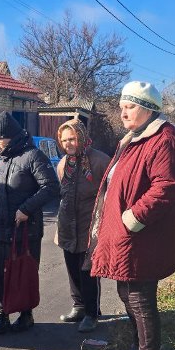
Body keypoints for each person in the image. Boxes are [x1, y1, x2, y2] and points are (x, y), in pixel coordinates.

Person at [86, 81, 175, 350]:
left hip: (142, 235)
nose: (123, 113)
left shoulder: (164, 139)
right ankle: (142, 349)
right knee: (127, 291)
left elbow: (166, 188)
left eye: (129, 107)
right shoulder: (136, 138)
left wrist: (131, 219)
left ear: (148, 108)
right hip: (128, 234)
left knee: (139, 297)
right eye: (121, 107)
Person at [0, 112, 59, 334]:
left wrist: (26, 208)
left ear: (11, 136)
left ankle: (26, 315)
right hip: (0, 225)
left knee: (23, 271)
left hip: (26, 229)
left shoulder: (34, 156)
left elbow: (51, 187)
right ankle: (2, 313)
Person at [54, 118, 110, 333]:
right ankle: (78, 306)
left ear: (82, 137)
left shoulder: (100, 161)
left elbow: (110, 192)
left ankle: (91, 313)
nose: (68, 144)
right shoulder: (63, 164)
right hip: (68, 224)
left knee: (88, 270)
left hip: (91, 224)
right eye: (64, 140)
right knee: (72, 268)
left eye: (73, 139)